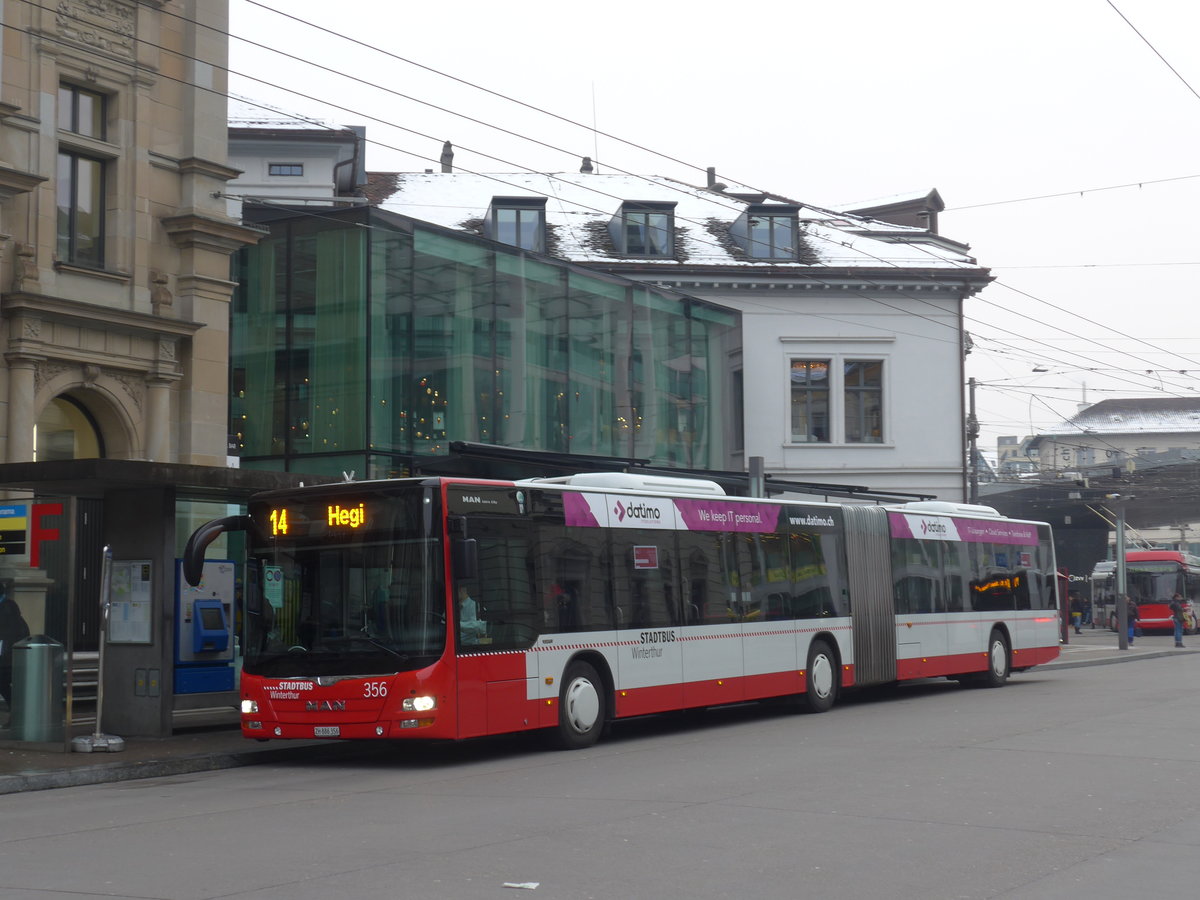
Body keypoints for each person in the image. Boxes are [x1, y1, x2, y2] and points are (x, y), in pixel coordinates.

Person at [0, 591, 30, 706]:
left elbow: (7, 635)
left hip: (7, 658)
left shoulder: (7, 609)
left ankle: (17, 709)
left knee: (3, 682)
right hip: (9, 657)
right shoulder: (9, 608)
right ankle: (17, 709)